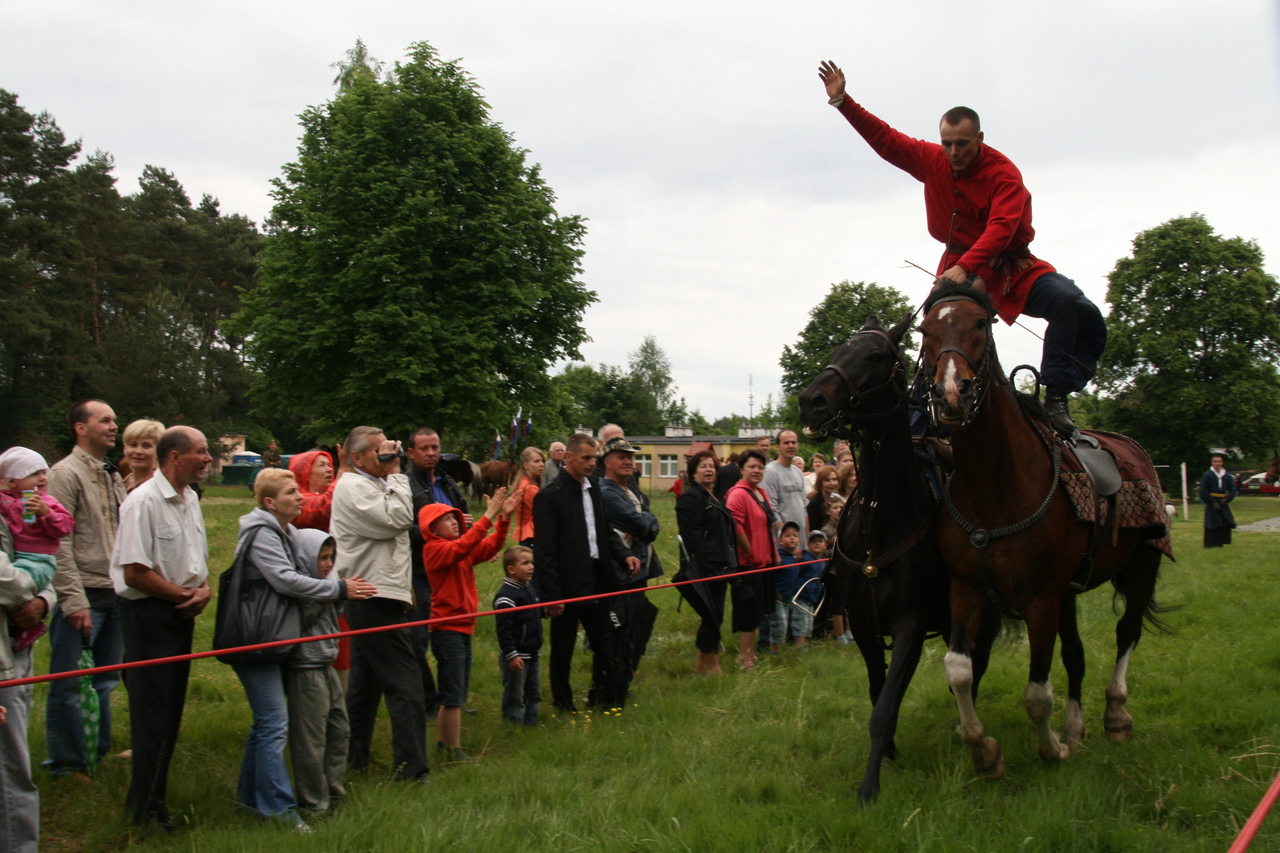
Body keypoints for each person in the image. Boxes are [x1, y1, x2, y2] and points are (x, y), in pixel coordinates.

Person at [819, 61, 1106, 437]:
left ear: (980, 139)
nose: (953, 152)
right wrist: (842, 101)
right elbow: (887, 141)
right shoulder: (931, 160)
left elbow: (1002, 228)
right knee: (938, 327)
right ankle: (921, 419)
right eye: (947, 144)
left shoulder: (1004, 174)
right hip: (957, 265)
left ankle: (1056, 395)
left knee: (1071, 304)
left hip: (1008, 265)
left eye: (962, 144)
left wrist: (966, 265)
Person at [229, 469, 374, 829]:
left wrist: (332, 589)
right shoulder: (263, 533)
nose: (300, 496)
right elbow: (285, 580)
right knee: (278, 725)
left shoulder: (287, 533)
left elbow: (306, 573)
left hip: (290, 644)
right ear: (269, 502)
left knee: (270, 725)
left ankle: (250, 800)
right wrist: (337, 590)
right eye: (292, 492)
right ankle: (287, 810)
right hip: (261, 638)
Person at [110, 425, 213, 828]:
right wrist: (183, 596)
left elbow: (196, 559)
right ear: (175, 457)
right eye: (201, 452)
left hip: (180, 612)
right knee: (151, 716)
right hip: (150, 616)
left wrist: (202, 591)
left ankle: (157, 800)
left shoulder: (190, 500)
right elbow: (135, 572)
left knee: (170, 714)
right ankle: (144, 812)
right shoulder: (143, 502)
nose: (207, 459)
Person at [331, 426, 429, 782]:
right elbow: (400, 518)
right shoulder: (354, 486)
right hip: (373, 597)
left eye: (388, 450)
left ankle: (351, 761)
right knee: (406, 687)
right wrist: (398, 473)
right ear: (355, 458)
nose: (387, 457)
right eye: (378, 452)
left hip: (378, 594)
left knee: (363, 690)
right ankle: (412, 771)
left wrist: (389, 474)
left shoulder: (372, 484)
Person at [44, 399, 129, 778]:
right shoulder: (64, 474)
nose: (114, 426)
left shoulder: (111, 473)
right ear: (80, 428)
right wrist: (73, 600)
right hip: (83, 597)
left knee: (105, 680)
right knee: (68, 683)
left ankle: (95, 751)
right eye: (105, 420)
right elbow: (56, 541)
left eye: (114, 420)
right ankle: (66, 763)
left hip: (114, 595)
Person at [533, 433, 640, 711]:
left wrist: (624, 554)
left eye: (595, 458)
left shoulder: (594, 487)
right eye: (587, 458)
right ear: (568, 457)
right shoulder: (550, 497)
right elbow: (544, 552)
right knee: (563, 646)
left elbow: (603, 530)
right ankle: (563, 702)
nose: (593, 463)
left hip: (598, 577)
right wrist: (552, 595)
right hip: (568, 582)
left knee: (606, 640)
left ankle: (605, 696)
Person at [419, 486, 517, 760]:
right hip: (447, 630)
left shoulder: (457, 552)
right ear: (432, 528)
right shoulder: (435, 550)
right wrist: (489, 514)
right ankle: (452, 750)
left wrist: (505, 518)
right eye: (448, 519)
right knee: (453, 695)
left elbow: (489, 547)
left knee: (456, 691)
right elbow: (466, 545)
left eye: (455, 518)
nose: (455, 522)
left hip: (462, 628)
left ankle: (444, 744)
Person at [286, 528, 353, 813]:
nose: (327, 564)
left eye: (331, 557)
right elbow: (291, 626)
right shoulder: (298, 588)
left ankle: (334, 792)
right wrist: (325, 598)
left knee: (339, 729)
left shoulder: (327, 584)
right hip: (305, 668)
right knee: (311, 741)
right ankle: (313, 804)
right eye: (322, 558)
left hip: (326, 662)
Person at [405, 427, 470, 719]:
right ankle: (427, 701)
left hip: (452, 570)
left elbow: (462, 514)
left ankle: (451, 700)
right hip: (421, 571)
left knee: (452, 637)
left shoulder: (448, 481)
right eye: (424, 448)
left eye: (435, 447)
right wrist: (435, 531)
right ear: (410, 453)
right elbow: (401, 530)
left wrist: (464, 524)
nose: (431, 453)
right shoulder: (404, 486)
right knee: (418, 638)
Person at [0, 519, 54, 853]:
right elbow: (9, 581)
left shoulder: (14, 509)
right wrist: (31, 587)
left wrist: (43, 601)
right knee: (11, 767)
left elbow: (46, 557)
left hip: (19, 648)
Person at [597, 436, 663, 677]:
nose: (628, 462)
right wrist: (646, 525)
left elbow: (651, 524)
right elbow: (639, 522)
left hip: (638, 571)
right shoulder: (607, 492)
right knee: (621, 630)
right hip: (621, 573)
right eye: (621, 457)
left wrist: (647, 526)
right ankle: (613, 681)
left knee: (635, 629)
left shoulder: (628, 490)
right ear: (607, 462)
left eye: (631, 457)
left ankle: (623, 678)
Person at [0, 448, 74, 650]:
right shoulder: (8, 500)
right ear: (11, 482)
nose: (42, 479)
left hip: (39, 560)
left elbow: (66, 526)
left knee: (23, 590)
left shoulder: (47, 502)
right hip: (20, 558)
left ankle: (27, 628)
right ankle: (25, 628)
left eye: (43, 472)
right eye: (33, 474)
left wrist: (46, 513)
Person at [675, 449, 737, 675]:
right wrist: (700, 569)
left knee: (715, 615)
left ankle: (702, 663)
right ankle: (711, 663)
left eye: (712, 466)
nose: (709, 469)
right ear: (693, 472)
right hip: (705, 567)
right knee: (712, 615)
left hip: (721, 564)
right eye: (703, 466)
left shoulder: (716, 498)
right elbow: (691, 537)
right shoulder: (691, 498)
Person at [725, 449, 776, 670]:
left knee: (758, 611)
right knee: (747, 612)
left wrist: (773, 555)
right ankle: (743, 658)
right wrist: (751, 553)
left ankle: (752, 653)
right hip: (747, 565)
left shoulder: (761, 493)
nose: (757, 471)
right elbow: (735, 527)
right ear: (742, 469)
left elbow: (768, 525)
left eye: (760, 467)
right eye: (752, 467)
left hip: (765, 562)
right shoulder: (737, 494)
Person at [493, 545, 543, 725]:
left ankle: (531, 724)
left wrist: (547, 611)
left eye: (532, 563)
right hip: (516, 657)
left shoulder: (528, 590)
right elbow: (504, 631)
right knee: (516, 695)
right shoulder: (506, 597)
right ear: (511, 570)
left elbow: (531, 616)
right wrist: (511, 655)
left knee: (534, 694)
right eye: (525, 563)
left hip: (533, 653)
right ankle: (513, 726)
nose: (531, 567)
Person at [769, 522, 823, 654]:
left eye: (795, 535)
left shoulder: (797, 558)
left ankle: (783, 651)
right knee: (779, 625)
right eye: (788, 536)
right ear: (780, 540)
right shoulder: (778, 557)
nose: (792, 538)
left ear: (799, 540)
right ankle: (774, 652)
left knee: (784, 625)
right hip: (777, 598)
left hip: (789, 599)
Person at [761, 430, 807, 535]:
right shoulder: (770, 472)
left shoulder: (798, 472)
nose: (791, 446)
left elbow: (804, 509)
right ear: (777, 446)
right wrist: (787, 539)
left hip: (801, 541)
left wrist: (807, 539)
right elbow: (771, 510)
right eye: (786, 443)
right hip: (782, 545)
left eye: (793, 442)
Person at [287, 449, 338, 532]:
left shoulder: (326, 494)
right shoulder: (297, 500)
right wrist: (343, 471)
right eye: (322, 465)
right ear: (305, 472)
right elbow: (324, 508)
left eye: (329, 465)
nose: (330, 469)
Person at [1198, 455, 1237, 548]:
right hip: (1212, 502)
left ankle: (1221, 543)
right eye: (1215, 461)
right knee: (1212, 523)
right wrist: (1212, 503)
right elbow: (1203, 491)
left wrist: (1227, 499)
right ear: (1212, 463)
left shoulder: (1226, 476)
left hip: (1223, 501)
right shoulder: (1207, 475)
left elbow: (1233, 489)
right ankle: (1210, 544)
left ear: (1222, 463)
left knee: (1224, 522)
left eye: (1219, 461)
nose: (1217, 463)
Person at [513, 446, 545, 547]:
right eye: (536, 461)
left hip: (527, 535)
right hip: (532, 536)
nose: (541, 464)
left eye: (542, 461)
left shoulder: (522, 483)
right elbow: (545, 513)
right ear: (526, 465)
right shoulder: (530, 488)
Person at [120, 419, 165, 491]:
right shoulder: (127, 480)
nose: (138, 451)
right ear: (124, 448)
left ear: (159, 451)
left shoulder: (159, 485)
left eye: (146, 446)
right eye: (133, 445)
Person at [806, 465, 840, 535]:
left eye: (834, 479)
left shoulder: (835, 499)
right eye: (827, 480)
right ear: (820, 483)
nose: (832, 483)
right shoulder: (815, 504)